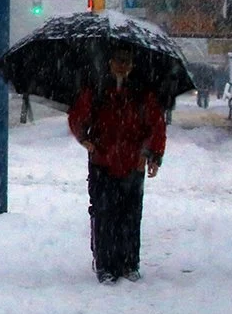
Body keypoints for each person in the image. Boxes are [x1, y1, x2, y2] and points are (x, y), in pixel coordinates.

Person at [67, 43, 166, 283]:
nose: (122, 66)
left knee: (130, 216)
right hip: (103, 162)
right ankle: (106, 265)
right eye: (118, 61)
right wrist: (84, 139)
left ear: (132, 65)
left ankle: (128, 263)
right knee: (104, 215)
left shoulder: (142, 93)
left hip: (133, 163)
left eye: (126, 61)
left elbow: (156, 125)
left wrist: (153, 155)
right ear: (110, 63)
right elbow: (77, 116)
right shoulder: (97, 89)